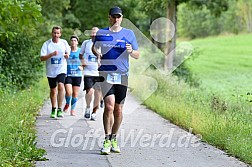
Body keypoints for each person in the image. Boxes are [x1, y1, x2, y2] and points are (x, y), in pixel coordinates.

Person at [92, 6, 140, 155]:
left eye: (118, 17)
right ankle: (106, 139)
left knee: (119, 110)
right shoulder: (101, 33)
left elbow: (137, 55)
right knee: (109, 106)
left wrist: (131, 51)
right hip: (106, 73)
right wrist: (98, 54)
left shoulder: (129, 34)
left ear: (122, 18)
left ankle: (114, 137)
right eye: (113, 17)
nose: (116, 19)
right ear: (109, 17)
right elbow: (95, 48)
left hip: (122, 75)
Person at [40, 26, 70, 118]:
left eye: (58, 33)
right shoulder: (47, 44)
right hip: (51, 70)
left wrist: (66, 55)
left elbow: (68, 53)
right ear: (52, 33)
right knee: (53, 90)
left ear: (60, 34)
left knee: (61, 85)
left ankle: (60, 109)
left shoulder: (64, 42)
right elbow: (42, 58)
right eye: (54, 33)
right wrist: (51, 54)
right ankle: (53, 109)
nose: (56, 35)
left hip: (61, 69)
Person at [79, 27, 102, 121]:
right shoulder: (86, 43)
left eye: (95, 33)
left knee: (98, 93)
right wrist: (83, 61)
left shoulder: (102, 44)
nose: (93, 35)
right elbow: (80, 55)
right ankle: (88, 107)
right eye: (92, 33)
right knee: (89, 91)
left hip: (99, 72)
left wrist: (102, 62)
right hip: (88, 72)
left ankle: (94, 112)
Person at [63, 35, 82, 116]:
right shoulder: (67, 51)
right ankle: (67, 103)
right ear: (70, 42)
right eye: (72, 40)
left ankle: (73, 110)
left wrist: (82, 67)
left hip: (77, 75)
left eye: (75, 40)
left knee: (75, 94)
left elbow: (85, 61)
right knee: (68, 92)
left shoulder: (80, 51)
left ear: (77, 42)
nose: (73, 42)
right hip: (68, 74)